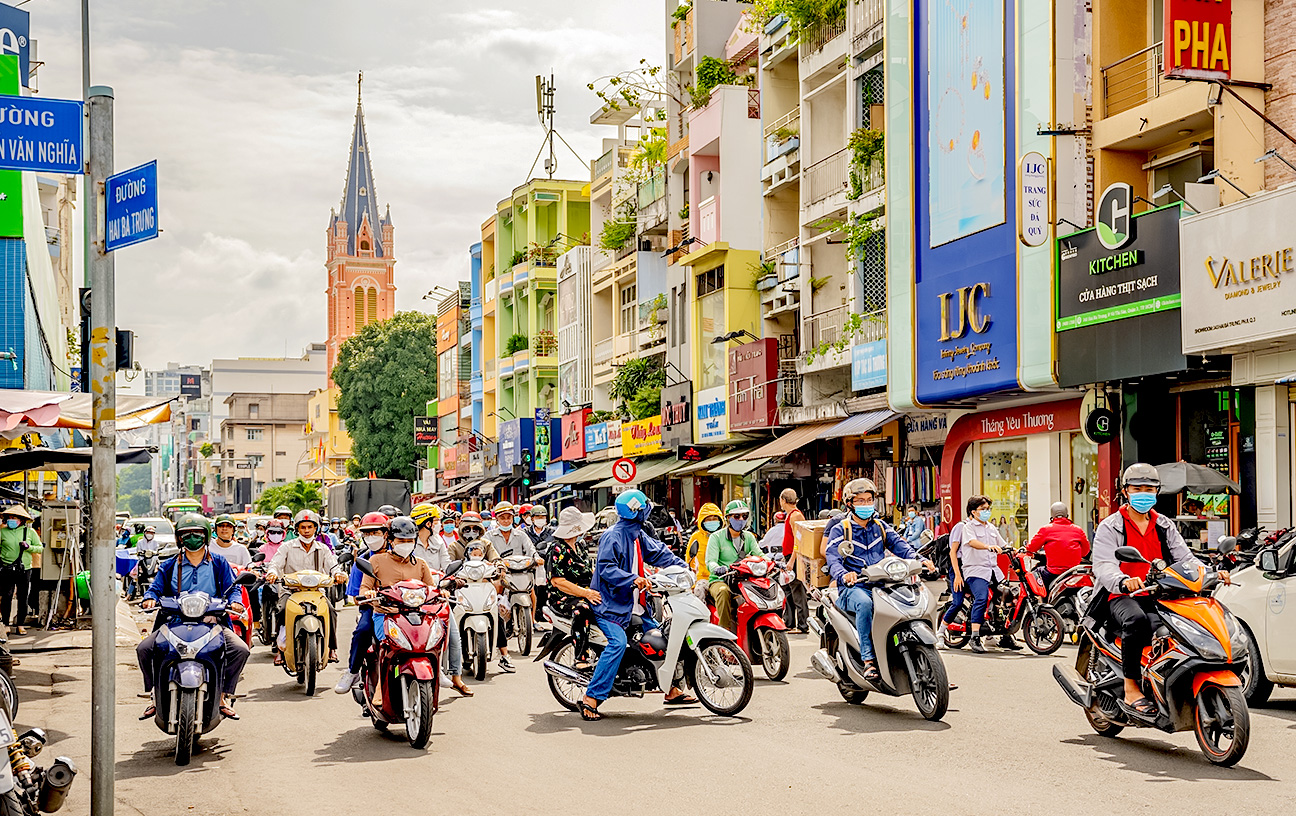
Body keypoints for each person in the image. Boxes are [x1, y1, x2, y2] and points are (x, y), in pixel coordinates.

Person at [1092, 463, 1218, 718]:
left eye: (1149, 489)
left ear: (1157, 491)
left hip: (1159, 593)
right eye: (1137, 488)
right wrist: (1124, 580)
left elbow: (1185, 557)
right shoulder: (1111, 525)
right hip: (1120, 595)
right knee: (1137, 621)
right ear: (1125, 491)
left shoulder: (1164, 525)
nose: (1143, 493)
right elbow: (1104, 564)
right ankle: (1131, 688)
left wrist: (1211, 572)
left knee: (1174, 627)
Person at [579, 490, 694, 720]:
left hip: (637, 606)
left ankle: (669, 689)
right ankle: (591, 697)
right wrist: (633, 579)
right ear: (640, 512)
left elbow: (660, 554)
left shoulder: (637, 535)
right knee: (618, 644)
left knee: (661, 640)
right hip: (610, 607)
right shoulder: (613, 536)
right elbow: (606, 569)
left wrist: (685, 568)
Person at [335, 516, 473, 698]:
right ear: (390, 540)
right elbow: (364, 588)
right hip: (385, 614)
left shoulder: (421, 564)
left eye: (409, 541)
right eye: (401, 541)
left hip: (416, 614)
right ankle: (371, 685)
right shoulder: (375, 561)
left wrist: (441, 592)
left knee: (437, 632)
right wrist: (369, 594)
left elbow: (430, 588)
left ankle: (437, 667)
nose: (405, 544)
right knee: (383, 641)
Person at [138, 513, 250, 720]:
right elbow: (155, 588)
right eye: (186, 534)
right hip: (174, 623)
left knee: (240, 650)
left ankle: (224, 695)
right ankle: (154, 694)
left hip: (213, 622)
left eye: (197, 533)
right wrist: (149, 598)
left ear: (206, 535)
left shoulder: (219, 563)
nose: (191, 538)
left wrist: (235, 601)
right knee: (144, 649)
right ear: (179, 538)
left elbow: (232, 588)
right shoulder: (170, 565)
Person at [824, 479, 929, 682]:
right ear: (850, 504)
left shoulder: (880, 526)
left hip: (883, 583)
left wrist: (921, 560)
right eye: (860, 501)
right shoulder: (841, 528)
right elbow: (833, 558)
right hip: (855, 587)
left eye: (869, 500)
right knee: (865, 605)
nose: (866, 504)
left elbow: (901, 546)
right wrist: (844, 574)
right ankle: (869, 660)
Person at [265, 509, 347, 664]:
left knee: (331, 611)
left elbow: (333, 566)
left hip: (317, 592)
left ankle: (332, 649)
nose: (307, 531)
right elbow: (275, 563)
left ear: (316, 528)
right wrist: (272, 573)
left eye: (310, 527)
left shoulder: (323, 549)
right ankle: (280, 649)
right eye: (303, 527)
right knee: (281, 610)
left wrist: (339, 574)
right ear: (297, 529)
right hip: (290, 592)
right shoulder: (287, 547)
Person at [939, 495, 1009, 653]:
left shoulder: (990, 527)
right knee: (967, 601)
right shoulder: (964, 527)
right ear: (973, 511)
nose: (987, 512)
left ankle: (1003, 634)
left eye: (988, 509)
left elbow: (1002, 545)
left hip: (991, 569)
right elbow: (955, 552)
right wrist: (957, 575)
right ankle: (951, 633)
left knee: (1004, 596)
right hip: (967, 569)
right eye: (983, 509)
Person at [705, 500, 762, 632]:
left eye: (744, 516)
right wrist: (717, 568)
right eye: (737, 516)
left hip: (743, 580)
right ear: (728, 518)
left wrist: (773, 562)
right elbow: (710, 561)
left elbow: (759, 554)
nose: (741, 519)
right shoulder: (716, 537)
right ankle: (724, 632)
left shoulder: (749, 537)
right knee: (723, 592)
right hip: (721, 580)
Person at [546, 507, 598, 619]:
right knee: (582, 610)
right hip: (564, 598)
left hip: (586, 591)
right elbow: (558, 582)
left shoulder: (580, 546)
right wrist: (586, 593)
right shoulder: (557, 549)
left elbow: (588, 569)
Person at [1026, 502, 1090, 591]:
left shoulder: (1046, 530)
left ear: (1052, 516)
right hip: (1074, 572)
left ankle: (1040, 602)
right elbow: (1085, 552)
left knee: (1033, 575)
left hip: (1053, 573)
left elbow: (1031, 548)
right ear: (1067, 515)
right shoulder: (1078, 530)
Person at [0, 506, 42, 635]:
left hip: (25, 569)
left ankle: (20, 624)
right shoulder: (2, 532)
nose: (11, 520)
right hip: (6, 567)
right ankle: (6, 624)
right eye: (9, 518)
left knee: (23, 597)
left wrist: (28, 547)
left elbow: (40, 548)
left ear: (22, 520)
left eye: (14, 518)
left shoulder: (30, 532)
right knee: (7, 596)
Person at [778, 488, 810, 633]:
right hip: (789, 556)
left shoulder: (795, 516)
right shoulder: (790, 515)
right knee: (788, 589)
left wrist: (792, 560)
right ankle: (789, 622)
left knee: (798, 591)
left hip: (794, 557)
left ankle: (802, 625)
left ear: (783, 500)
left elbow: (799, 540)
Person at [526, 505, 554, 631]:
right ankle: (532, 618)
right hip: (530, 569)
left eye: (543, 517)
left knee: (547, 592)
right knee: (532, 592)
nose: (540, 519)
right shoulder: (525, 533)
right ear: (532, 518)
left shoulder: (552, 532)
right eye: (537, 517)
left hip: (548, 568)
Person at [410, 503, 452, 572]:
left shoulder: (438, 541)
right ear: (428, 524)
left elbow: (446, 564)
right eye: (436, 520)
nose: (440, 524)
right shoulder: (410, 542)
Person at [686, 503, 722, 580]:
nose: (712, 521)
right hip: (702, 578)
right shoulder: (696, 536)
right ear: (702, 521)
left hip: (723, 578)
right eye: (708, 519)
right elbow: (689, 559)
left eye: (715, 519)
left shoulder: (725, 535)